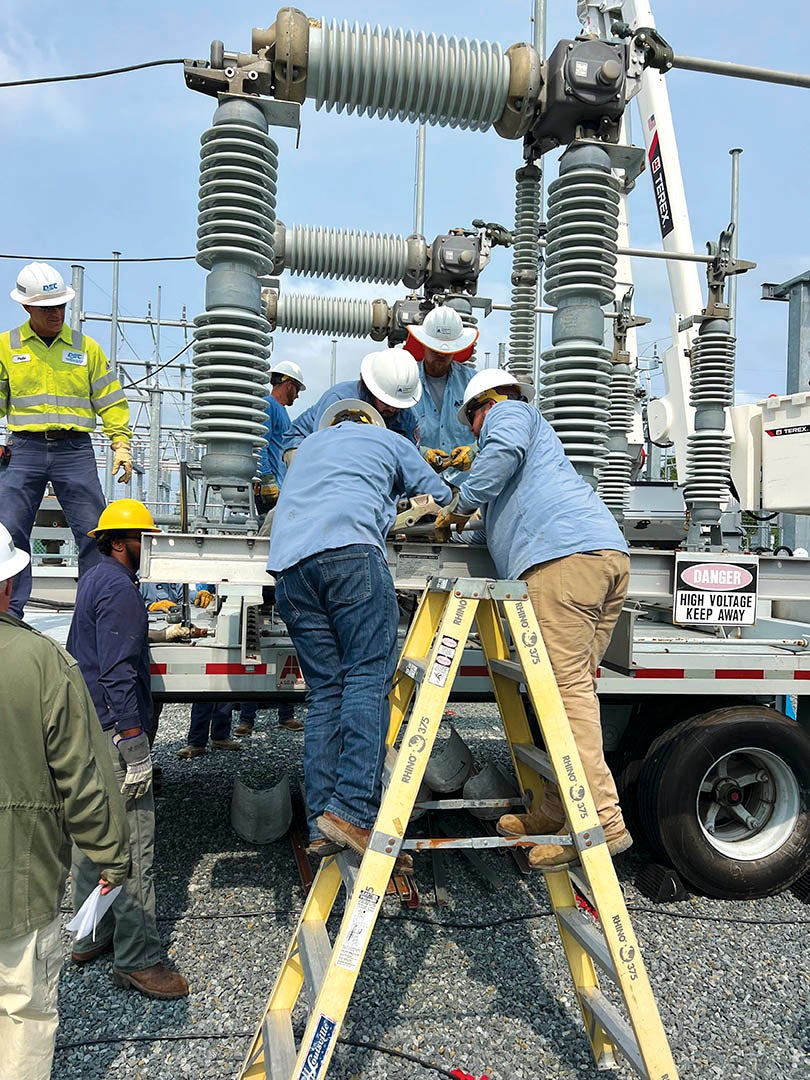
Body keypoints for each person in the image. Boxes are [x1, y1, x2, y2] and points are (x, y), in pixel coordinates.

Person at [435, 370, 633, 869]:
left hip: (562, 563)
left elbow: (496, 459)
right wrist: (444, 528)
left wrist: (457, 502)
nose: (475, 433)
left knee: (565, 696)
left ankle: (602, 823)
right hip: (595, 558)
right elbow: (484, 532)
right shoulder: (524, 478)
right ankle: (555, 807)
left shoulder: (511, 412)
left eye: (473, 421)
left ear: (483, 405)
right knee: (560, 694)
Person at [269, 398, 454, 861]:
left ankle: (320, 824)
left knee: (326, 692)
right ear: (373, 420)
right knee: (367, 680)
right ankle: (352, 811)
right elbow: (442, 495)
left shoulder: (308, 449)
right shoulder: (387, 439)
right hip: (351, 555)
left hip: (290, 572)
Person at [0, 523, 130, 1080]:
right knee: (22, 1006)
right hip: (18, 879)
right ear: (7, 583)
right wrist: (112, 856)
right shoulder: (41, 662)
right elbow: (82, 779)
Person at [66, 499, 189, 999]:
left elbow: (99, 647)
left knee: (93, 834)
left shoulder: (96, 578)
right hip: (116, 733)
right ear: (119, 541)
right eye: (144, 537)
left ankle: (88, 935)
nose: (150, 545)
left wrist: (150, 630)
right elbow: (116, 671)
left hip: (91, 727)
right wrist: (135, 745)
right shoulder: (119, 588)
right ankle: (138, 959)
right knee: (134, 842)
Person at [0, 262, 133, 618]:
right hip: (23, 449)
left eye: (61, 306)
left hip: (74, 450)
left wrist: (121, 442)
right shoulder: (6, 347)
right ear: (27, 307)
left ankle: (94, 607)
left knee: (94, 529)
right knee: (9, 531)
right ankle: (10, 611)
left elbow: (110, 399)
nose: (57, 314)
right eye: (48, 308)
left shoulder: (85, 348)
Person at [281, 348, 422, 462]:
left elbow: (412, 461)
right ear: (370, 389)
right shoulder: (339, 401)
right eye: (386, 402)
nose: (392, 409)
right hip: (304, 445)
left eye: (397, 405)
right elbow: (325, 453)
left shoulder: (407, 416)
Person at [405, 306, 480, 480]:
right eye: (435, 349)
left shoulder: (473, 384)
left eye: (446, 351)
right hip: (419, 483)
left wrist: (475, 450)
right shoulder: (406, 380)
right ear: (423, 344)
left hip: (465, 485)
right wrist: (419, 452)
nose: (440, 355)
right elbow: (392, 431)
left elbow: (494, 429)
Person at [255, 360, 306, 514]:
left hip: (280, 487)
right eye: (297, 390)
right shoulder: (268, 405)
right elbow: (261, 443)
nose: (297, 396)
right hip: (271, 488)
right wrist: (266, 479)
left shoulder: (280, 410)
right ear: (289, 385)